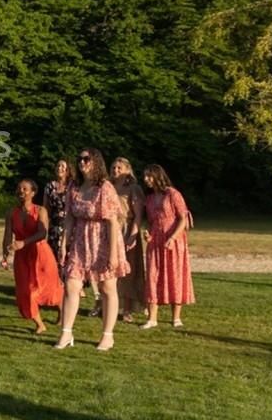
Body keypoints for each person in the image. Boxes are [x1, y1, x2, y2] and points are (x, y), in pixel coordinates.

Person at [56, 148, 129, 352]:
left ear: (95, 162)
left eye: (86, 159)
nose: (81, 162)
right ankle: (66, 332)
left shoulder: (104, 187)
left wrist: (113, 254)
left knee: (107, 287)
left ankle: (108, 336)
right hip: (80, 240)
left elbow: (113, 222)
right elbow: (69, 217)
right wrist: (63, 245)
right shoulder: (74, 186)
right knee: (71, 284)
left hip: (104, 239)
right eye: (79, 159)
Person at [0, 178, 63, 334]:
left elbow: (43, 233)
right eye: (19, 189)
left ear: (33, 193)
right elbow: (8, 235)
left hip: (41, 254)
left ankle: (62, 311)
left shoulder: (41, 210)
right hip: (22, 257)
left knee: (50, 288)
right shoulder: (11, 212)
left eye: (25, 189)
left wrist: (24, 242)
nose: (20, 192)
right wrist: (5, 254)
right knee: (25, 291)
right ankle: (40, 324)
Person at [141, 164, 195, 329]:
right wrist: (148, 234)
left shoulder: (172, 194)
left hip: (174, 240)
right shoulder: (149, 198)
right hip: (155, 240)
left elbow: (183, 218)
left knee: (175, 275)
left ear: (158, 176)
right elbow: (151, 222)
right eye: (145, 177)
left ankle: (176, 317)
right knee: (153, 276)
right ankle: (152, 318)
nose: (146, 180)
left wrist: (172, 237)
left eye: (149, 176)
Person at [111, 157, 146, 324]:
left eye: (119, 168)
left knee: (127, 271)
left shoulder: (134, 189)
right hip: (110, 229)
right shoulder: (108, 187)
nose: (115, 170)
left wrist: (132, 235)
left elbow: (138, 216)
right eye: (113, 167)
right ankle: (108, 305)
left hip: (127, 228)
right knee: (109, 269)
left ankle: (127, 309)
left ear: (127, 170)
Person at [41, 158, 72, 266]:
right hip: (54, 226)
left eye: (63, 166)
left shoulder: (73, 186)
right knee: (53, 256)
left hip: (70, 226)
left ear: (68, 169)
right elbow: (45, 209)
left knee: (68, 256)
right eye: (58, 166)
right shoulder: (50, 186)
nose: (60, 168)